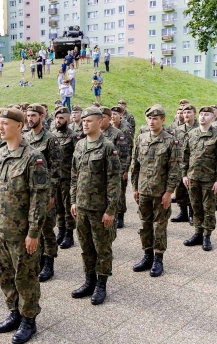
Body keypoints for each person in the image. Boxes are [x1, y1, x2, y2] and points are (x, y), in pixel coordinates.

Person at [0, 108, 48, 344]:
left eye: (5, 123)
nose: (0, 127)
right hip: (1, 230)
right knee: (5, 275)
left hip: (22, 232)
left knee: (25, 278)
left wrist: (33, 233)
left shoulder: (33, 158)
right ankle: (14, 312)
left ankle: (28, 320)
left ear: (19, 126)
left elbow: (39, 198)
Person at [70, 107, 120, 305]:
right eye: (83, 120)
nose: (84, 123)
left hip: (100, 209)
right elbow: (74, 175)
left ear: (100, 122)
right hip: (81, 207)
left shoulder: (108, 147)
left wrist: (110, 210)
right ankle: (89, 280)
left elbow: (114, 181)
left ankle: (101, 284)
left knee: (102, 248)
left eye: (89, 120)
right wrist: (73, 201)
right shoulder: (80, 145)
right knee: (86, 247)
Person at [130, 105, 179, 277]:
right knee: (144, 225)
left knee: (159, 226)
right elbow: (135, 165)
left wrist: (169, 192)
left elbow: (174, 169)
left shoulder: (170, 141)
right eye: (149, 118)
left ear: (163, 120)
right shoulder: (141, 138)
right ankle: (147, 255)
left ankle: (158, 258)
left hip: (160, 192)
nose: (152, 121)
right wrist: (135, 187)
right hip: (143, 190)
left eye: (156, 118)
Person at [181, 106, 217, 251]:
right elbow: (185, 156)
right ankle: (197, 233)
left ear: (213, 118)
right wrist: (184, 174)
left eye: (206, 115)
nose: (202, 117)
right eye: (201, 114)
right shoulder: (192, 134)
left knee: (208, 208)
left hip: (209, 179)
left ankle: (207, 235)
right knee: (195, 206)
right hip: (193, 177)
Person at [24, 105, 60, 282]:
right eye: (28, 116)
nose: (30, 119)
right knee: (33, 226)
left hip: (45, 192)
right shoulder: (25, 138)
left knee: (47, 228)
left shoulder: (50, 139)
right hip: (29, 192)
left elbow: (55, 169)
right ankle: (37, 258)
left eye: (33, 116)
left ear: (42, 116)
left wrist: (52, 195)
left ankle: (49, 262)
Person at [51, 107, 77, 249]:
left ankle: (69, 234)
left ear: (67, 120)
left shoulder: (73, 137)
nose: (58, 121)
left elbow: (77, 158)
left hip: (67, 177)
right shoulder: (52, 135)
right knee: (58, 207)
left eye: (61, 118)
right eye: (57, 118)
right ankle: (60, 231)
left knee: (68, 207)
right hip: (56, 178)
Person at [172, 104, 197, 224]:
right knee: (180, 189)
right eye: (184, 113)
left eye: (189, 112)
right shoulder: (178, 130)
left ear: (194, 114)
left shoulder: (199, 129)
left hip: (194, 165)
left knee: (192, 190)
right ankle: (183, 213)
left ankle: (192, 213)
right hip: (180, 164)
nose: (186, 115)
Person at [110, 105, 135, 228]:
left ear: (121, 115)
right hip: (110, 167)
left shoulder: (125, 129)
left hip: (121, 165)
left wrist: (126, 169)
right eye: (112, 114)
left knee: (120, 193)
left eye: (116, 114)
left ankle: (120, 215)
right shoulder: (107, 129)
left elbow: (129, 149)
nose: (113, 116)